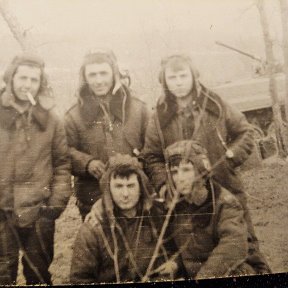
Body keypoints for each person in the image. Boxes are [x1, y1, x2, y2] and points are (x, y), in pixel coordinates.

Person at [143, 54, 271, 273]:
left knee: (244, 246)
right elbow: (151, 156)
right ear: (164, 81)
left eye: (183, 75)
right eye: (172, 77)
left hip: (225, 186)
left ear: (193, 76)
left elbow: (245, 132)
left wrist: (231, 156)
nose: (179, 82)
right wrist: (165, 183)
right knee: (198, 249)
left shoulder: (215, 104)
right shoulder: (159, 117)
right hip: (187, 198)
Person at [0, 54, 71, 285]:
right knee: (3, 275)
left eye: (34, 79)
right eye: (22, 77)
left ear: (41, 83)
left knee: (39, 275)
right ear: (11, 78)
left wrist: (53, 206)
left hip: (39, 213)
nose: (27, 84)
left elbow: (62, 164)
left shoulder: (51, 119)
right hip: (2, 212)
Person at [65, 49, 148, 220]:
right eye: (92, 75)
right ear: (85, 78)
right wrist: (86, 163)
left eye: (104, 73)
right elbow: (63, 151)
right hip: (93, 196)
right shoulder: (73, 115)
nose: (99, 80)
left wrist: (137, 163)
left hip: (133, 193)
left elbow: (153, 146)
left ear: (114, 74)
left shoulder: (139, 109)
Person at [70, 154, 177, 284]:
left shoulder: (157, 217)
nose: (125, 194)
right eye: (119, 186)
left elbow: (176, 253)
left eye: (131, 186)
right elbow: (80, 278)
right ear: (109, 188)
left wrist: (175, 264)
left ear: (141, 187)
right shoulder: (93, 228)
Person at [163, 140, 258, 279]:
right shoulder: (176, 206)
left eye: (186, 170)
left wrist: (204, 275)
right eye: (174, 172)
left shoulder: (224, 202)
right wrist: (175, 264)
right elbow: (182, 250)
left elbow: (234, 246)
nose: (180, 178)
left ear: (201, 170)